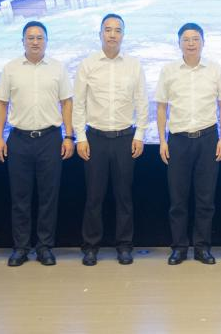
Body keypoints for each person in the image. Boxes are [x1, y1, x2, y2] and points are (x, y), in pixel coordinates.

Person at [0, 21, 74, 267]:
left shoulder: (58, 69)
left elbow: (67, 103)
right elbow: (1, 104)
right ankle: (21, 248)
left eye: (40, 37)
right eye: (31, 38)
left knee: (49, 197)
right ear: (23, 41)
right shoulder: (11, 69)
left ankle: (45, 247)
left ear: (46, 41)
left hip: (50, 139)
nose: (35, 42)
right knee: (20, 197)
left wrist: (69, 136)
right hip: (19, 140)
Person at [72, 13, 148, 266]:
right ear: (100, 34)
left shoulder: (134, 65)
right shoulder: (88, 64)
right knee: (94, 197)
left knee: (124, 196)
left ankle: (124, 246)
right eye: (108, 29)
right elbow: (79, 104)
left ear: (123, 35)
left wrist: (140, 134)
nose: (112, 34)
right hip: (95, 139)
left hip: (125, 138)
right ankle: (90, 247)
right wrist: (80, 137)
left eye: (117, 30)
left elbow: (142, 102)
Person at [156, 23, 221, 265]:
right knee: (178, 200)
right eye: (186, 39)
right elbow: (161, 107)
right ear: (179, 43)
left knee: (205, 199)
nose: (191, 43)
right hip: (178, 141)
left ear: (203, 42)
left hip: (207, 139)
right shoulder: (168, 71)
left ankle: (202, 248)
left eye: (195, 39)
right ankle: (179, 248)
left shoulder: (215, 70)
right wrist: (162, 141)